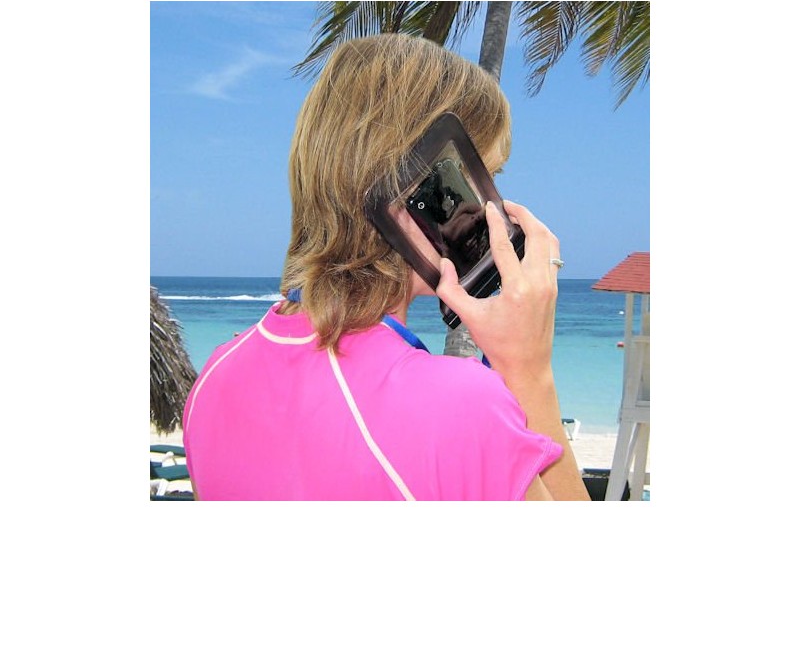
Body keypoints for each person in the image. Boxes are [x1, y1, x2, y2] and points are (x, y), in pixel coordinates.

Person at [182, 33, 590, 501]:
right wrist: (529, 373)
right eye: (484, 176)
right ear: (418, 188)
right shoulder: (459, 409)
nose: (493, 205)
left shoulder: (214, 378)